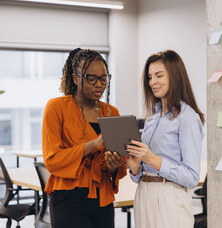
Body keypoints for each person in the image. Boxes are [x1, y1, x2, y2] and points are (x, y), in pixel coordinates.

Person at [42, 48, 127, 228]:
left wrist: (114, 167)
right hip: (68, 198)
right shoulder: (56, 107)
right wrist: (94, 144)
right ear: (75, 78)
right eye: (91, 78)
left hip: (102, 198)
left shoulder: (112, 113)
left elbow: (121, 165)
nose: (99, 84)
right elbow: (52, 160)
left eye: (104, 78)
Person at [126, 50, 205, 228]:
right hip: (144, 194)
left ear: (175, 76)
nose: (152, 82)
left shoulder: (187, 117)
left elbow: (192, 177)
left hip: (170, 197)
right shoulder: (152, 117)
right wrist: (136, 168)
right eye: (150, 77)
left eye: (159, 75)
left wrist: (152, 158)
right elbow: (141, 173)